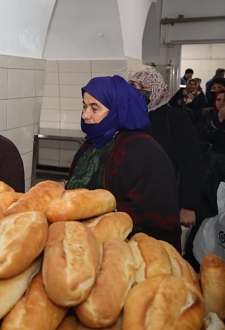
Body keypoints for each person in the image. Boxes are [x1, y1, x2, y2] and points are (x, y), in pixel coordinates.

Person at [65, 75, 181, 250]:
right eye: (84, 106)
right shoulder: (93, 143)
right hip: (82, 242)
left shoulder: (144, 151)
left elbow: (154, 217)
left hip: (129, 250)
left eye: (94, 108)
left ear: (118, 109)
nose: (85, 115)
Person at [129, 68, 204, 230]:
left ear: (157, 90)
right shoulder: (129, 118)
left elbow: (192, 162)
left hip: (166, 200)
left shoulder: (175, 118)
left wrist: (188, 205)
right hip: (133, 199)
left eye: (142, 87)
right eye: (132, 85)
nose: (135, 91)